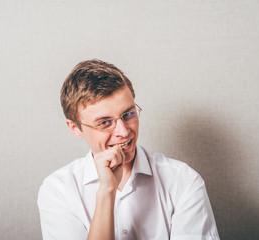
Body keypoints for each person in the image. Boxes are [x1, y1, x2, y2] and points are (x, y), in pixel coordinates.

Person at [38, 59, 220, 240]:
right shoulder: (58, 191)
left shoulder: (183, 181)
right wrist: (106, 192)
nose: (124, 132)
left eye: (128, 114)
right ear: (75, 128)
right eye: (104, 123)